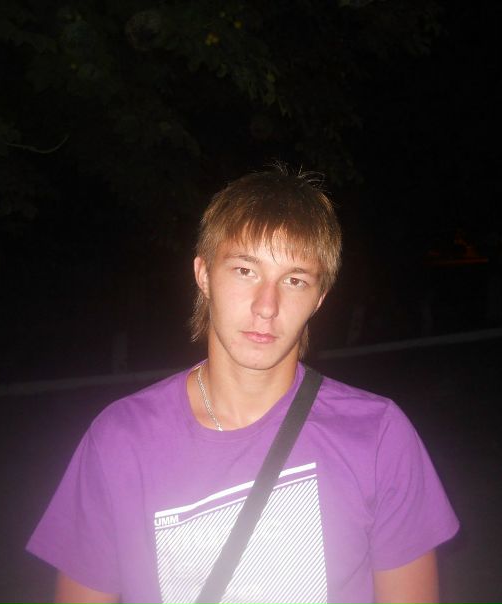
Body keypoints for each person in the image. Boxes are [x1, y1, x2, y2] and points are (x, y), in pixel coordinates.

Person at [27, 166, 459, 604]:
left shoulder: (378, 435)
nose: (266, 306)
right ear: (203, 274)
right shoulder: (120, 440)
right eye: (244, 270)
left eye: (294, 280)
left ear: (319, 298)